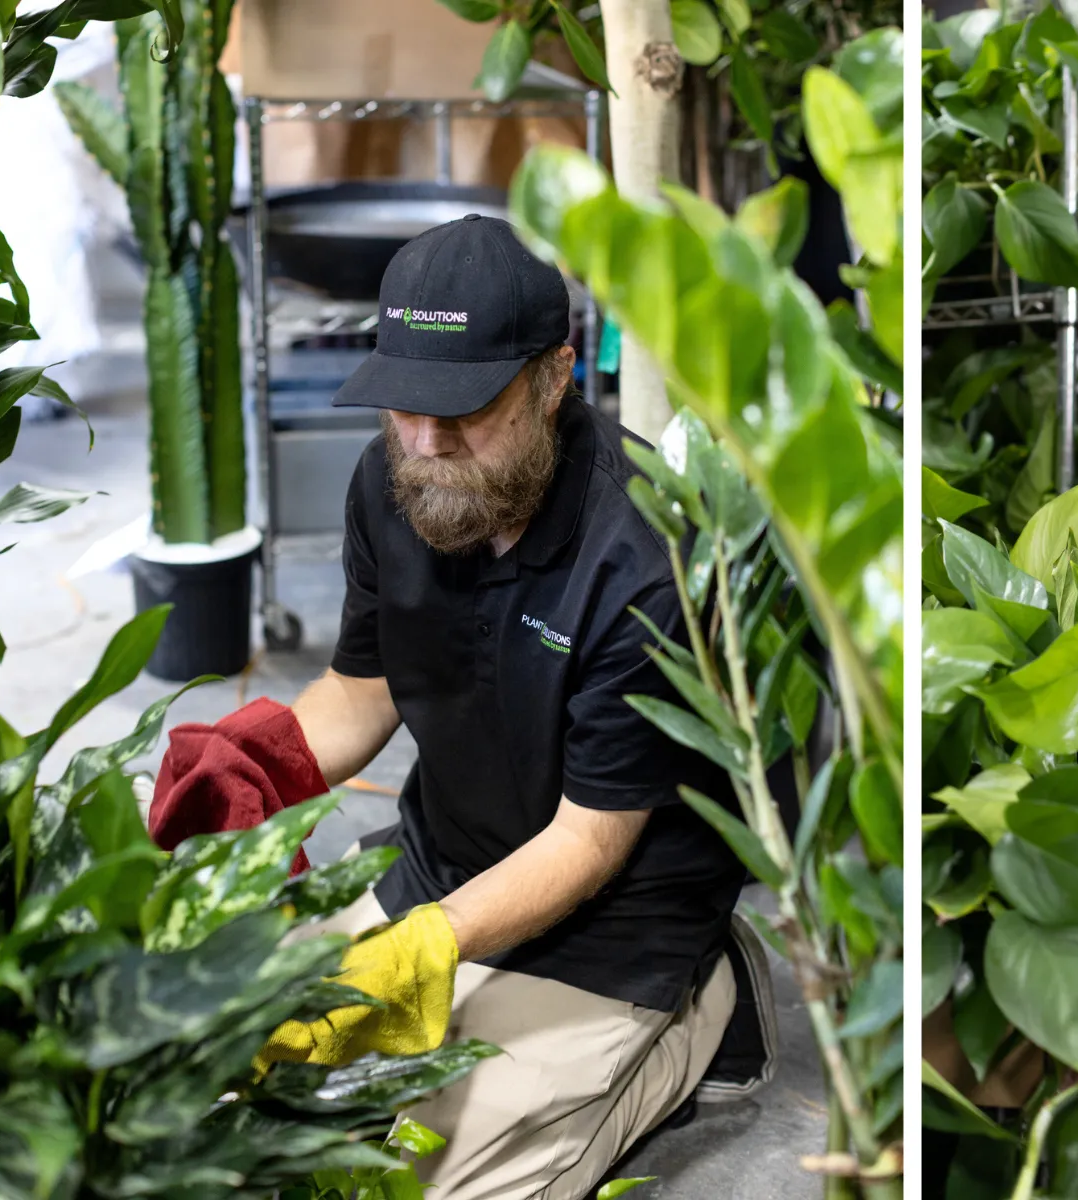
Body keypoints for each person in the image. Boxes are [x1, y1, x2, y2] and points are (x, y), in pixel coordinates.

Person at [184, 213, 769, 1198]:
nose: (425, 442)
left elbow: (589, 844)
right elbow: (363, 691)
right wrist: (262, 755)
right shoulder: (394, 482)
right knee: (214, 1067)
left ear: (554, 378)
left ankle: (703, 1006)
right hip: (444, 861)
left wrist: (431, 948)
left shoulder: (644, 554)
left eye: (463, 408)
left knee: (432, 1181)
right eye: (405, 405)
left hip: (614, 924)